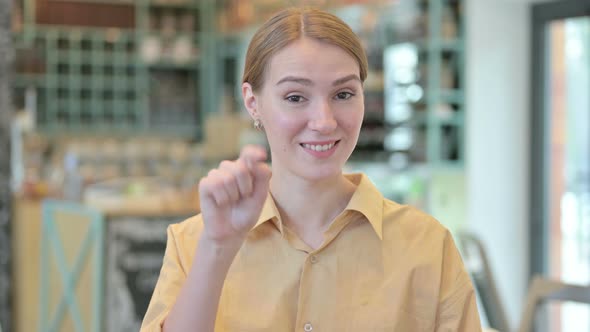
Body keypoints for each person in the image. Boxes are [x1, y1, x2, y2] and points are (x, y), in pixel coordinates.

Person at [141, 7, 482, 332]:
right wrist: (217, 249)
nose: (324, 121)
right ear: (252, 102)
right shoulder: (195, 242)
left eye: (344, 93)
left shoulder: (428, 246)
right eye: (295, 97)